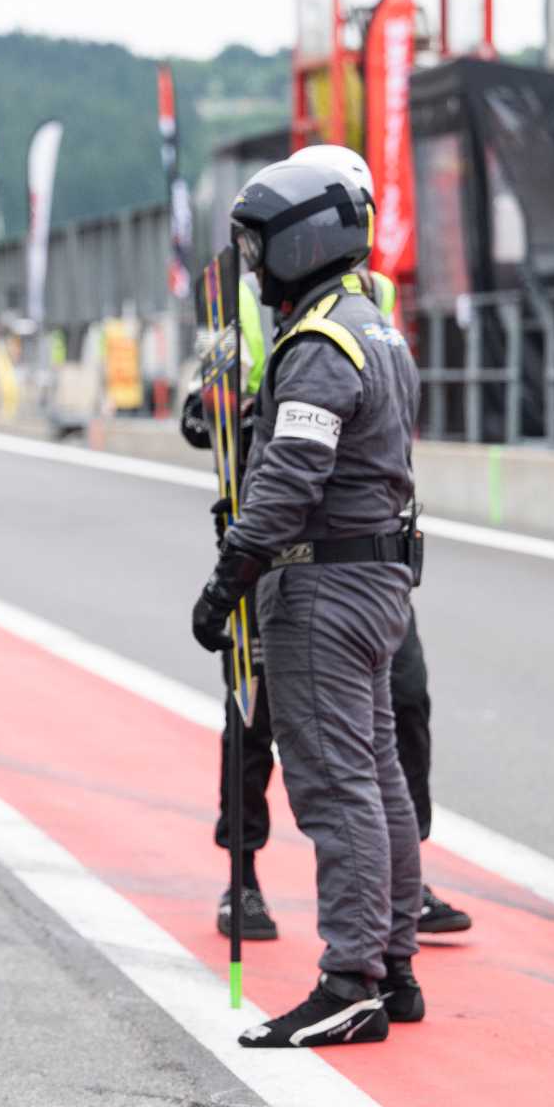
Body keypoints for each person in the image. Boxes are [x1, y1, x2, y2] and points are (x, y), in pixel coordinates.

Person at [179, 143, 468, 942]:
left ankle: (385, 921)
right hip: (274, 531)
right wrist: (218, 405)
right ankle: (244, 875)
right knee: (255, 719)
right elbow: (204, 405)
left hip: (342, 544)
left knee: (392, 725)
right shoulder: (239, 295)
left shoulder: (364, 303)